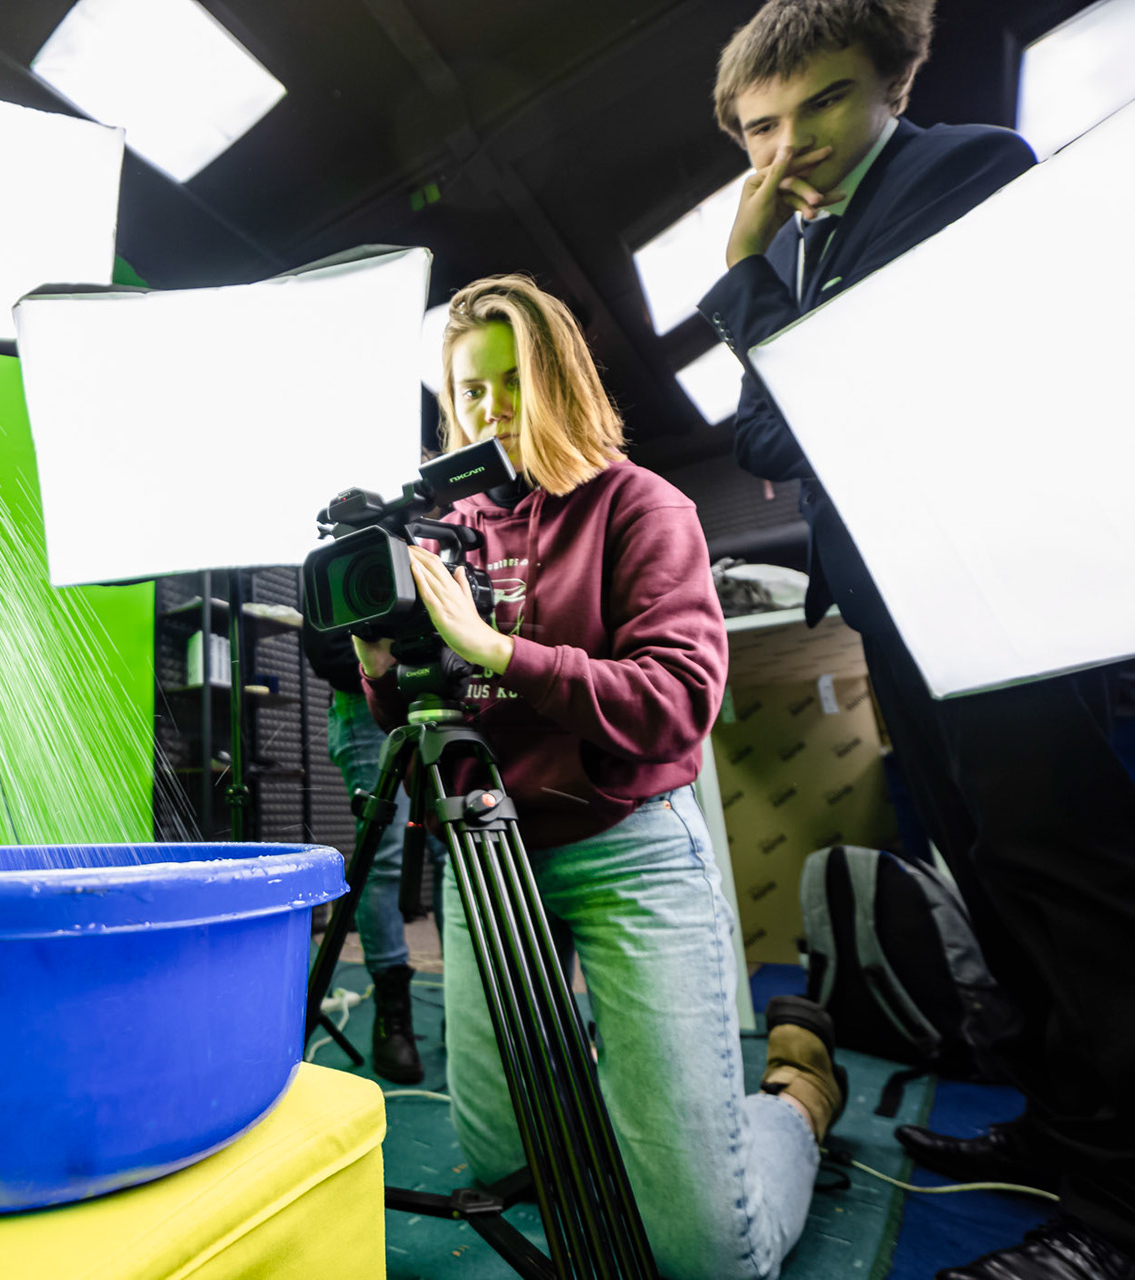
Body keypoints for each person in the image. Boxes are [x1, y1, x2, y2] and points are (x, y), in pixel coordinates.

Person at [699, 2, 1135, 1274]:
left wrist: (742, 269)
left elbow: (854, 393)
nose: (788, 148)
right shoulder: (810, 251)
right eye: (760, 128)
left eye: (824, 103)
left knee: (1068, 878)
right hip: (897, 611)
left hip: (1002, 590)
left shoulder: (967, 170)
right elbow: (766, 437)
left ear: (895, 81)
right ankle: (1066, 1130)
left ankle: (1120, 1214)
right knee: (989, 874)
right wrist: (772, 290)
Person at [358, 274, 840, 1280]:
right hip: (491, 857)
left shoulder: (640, 504)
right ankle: (638, 1096)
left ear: (561, 379)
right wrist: (383, 666)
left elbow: (677, 700)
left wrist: (496, 648)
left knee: (712, 1256)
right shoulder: (443, 533)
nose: (491, 408)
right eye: (470, 389)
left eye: (512, 380)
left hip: (628, 847)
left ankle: (798, 1094)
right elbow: (421, 725)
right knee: (509, 1163)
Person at [300, 622, 443, 1083]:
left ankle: (466, 1001)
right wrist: (391, 669)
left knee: (453, 856)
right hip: (365, 706)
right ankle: (391, 1014)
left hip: (441, 701)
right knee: (383, 857)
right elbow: (327, 652)